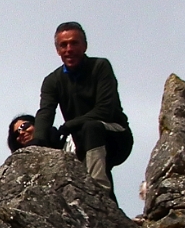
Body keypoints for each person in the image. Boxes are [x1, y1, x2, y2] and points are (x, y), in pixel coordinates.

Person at [33, 22, 133, 194]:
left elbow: (105, 110)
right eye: (63, 45)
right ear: (57, 50)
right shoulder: (52, 80)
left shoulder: (100, 67)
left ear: (85, 46)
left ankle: (98, 193)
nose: (69, 49)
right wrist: (36, 145)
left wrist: (69, 125)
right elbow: (45, 112)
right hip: (81, 139)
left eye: (74, 43)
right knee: (49, 137)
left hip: (115, 135)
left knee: (91, 128)